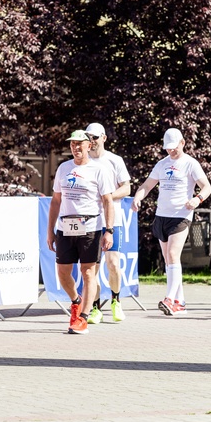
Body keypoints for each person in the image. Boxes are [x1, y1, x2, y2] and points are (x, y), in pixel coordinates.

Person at [133, 127, 211, 316]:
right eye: (167, 148)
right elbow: (147, 185)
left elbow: (207, 186)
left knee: (174, 255)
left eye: (173, 147)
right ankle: (180, 302)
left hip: (181, 215)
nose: (170, 151)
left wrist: (197, 199)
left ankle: (169, 299)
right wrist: (138, 196)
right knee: (168, 259)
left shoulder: (190, 163)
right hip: (162, 215)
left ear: (182, 143)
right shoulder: (162, 164)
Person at [46, 130, 115, 335]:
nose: (76, 148)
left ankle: (83, 318)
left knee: (88, 272)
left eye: (80, 144)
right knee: (63, 272)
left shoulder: (98, 170)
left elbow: (108, 201)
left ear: (88, 146)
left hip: (90, 227)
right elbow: (56, 200)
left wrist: (108, 231)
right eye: (72, 144)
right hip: (66, 226)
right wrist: (50, 231)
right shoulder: (63, 168)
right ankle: (76, 301)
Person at [83, 122, 131, 324]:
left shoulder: (114, 160)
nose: (91, 142)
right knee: (91, 268)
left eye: (94, 137)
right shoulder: (83, 162)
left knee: (113, 263)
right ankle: (95, 308)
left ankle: (116, 300)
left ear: (103, 138)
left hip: (113, 219)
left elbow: (127, 188)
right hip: (91, 220)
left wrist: (108, 198)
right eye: (88, 138)